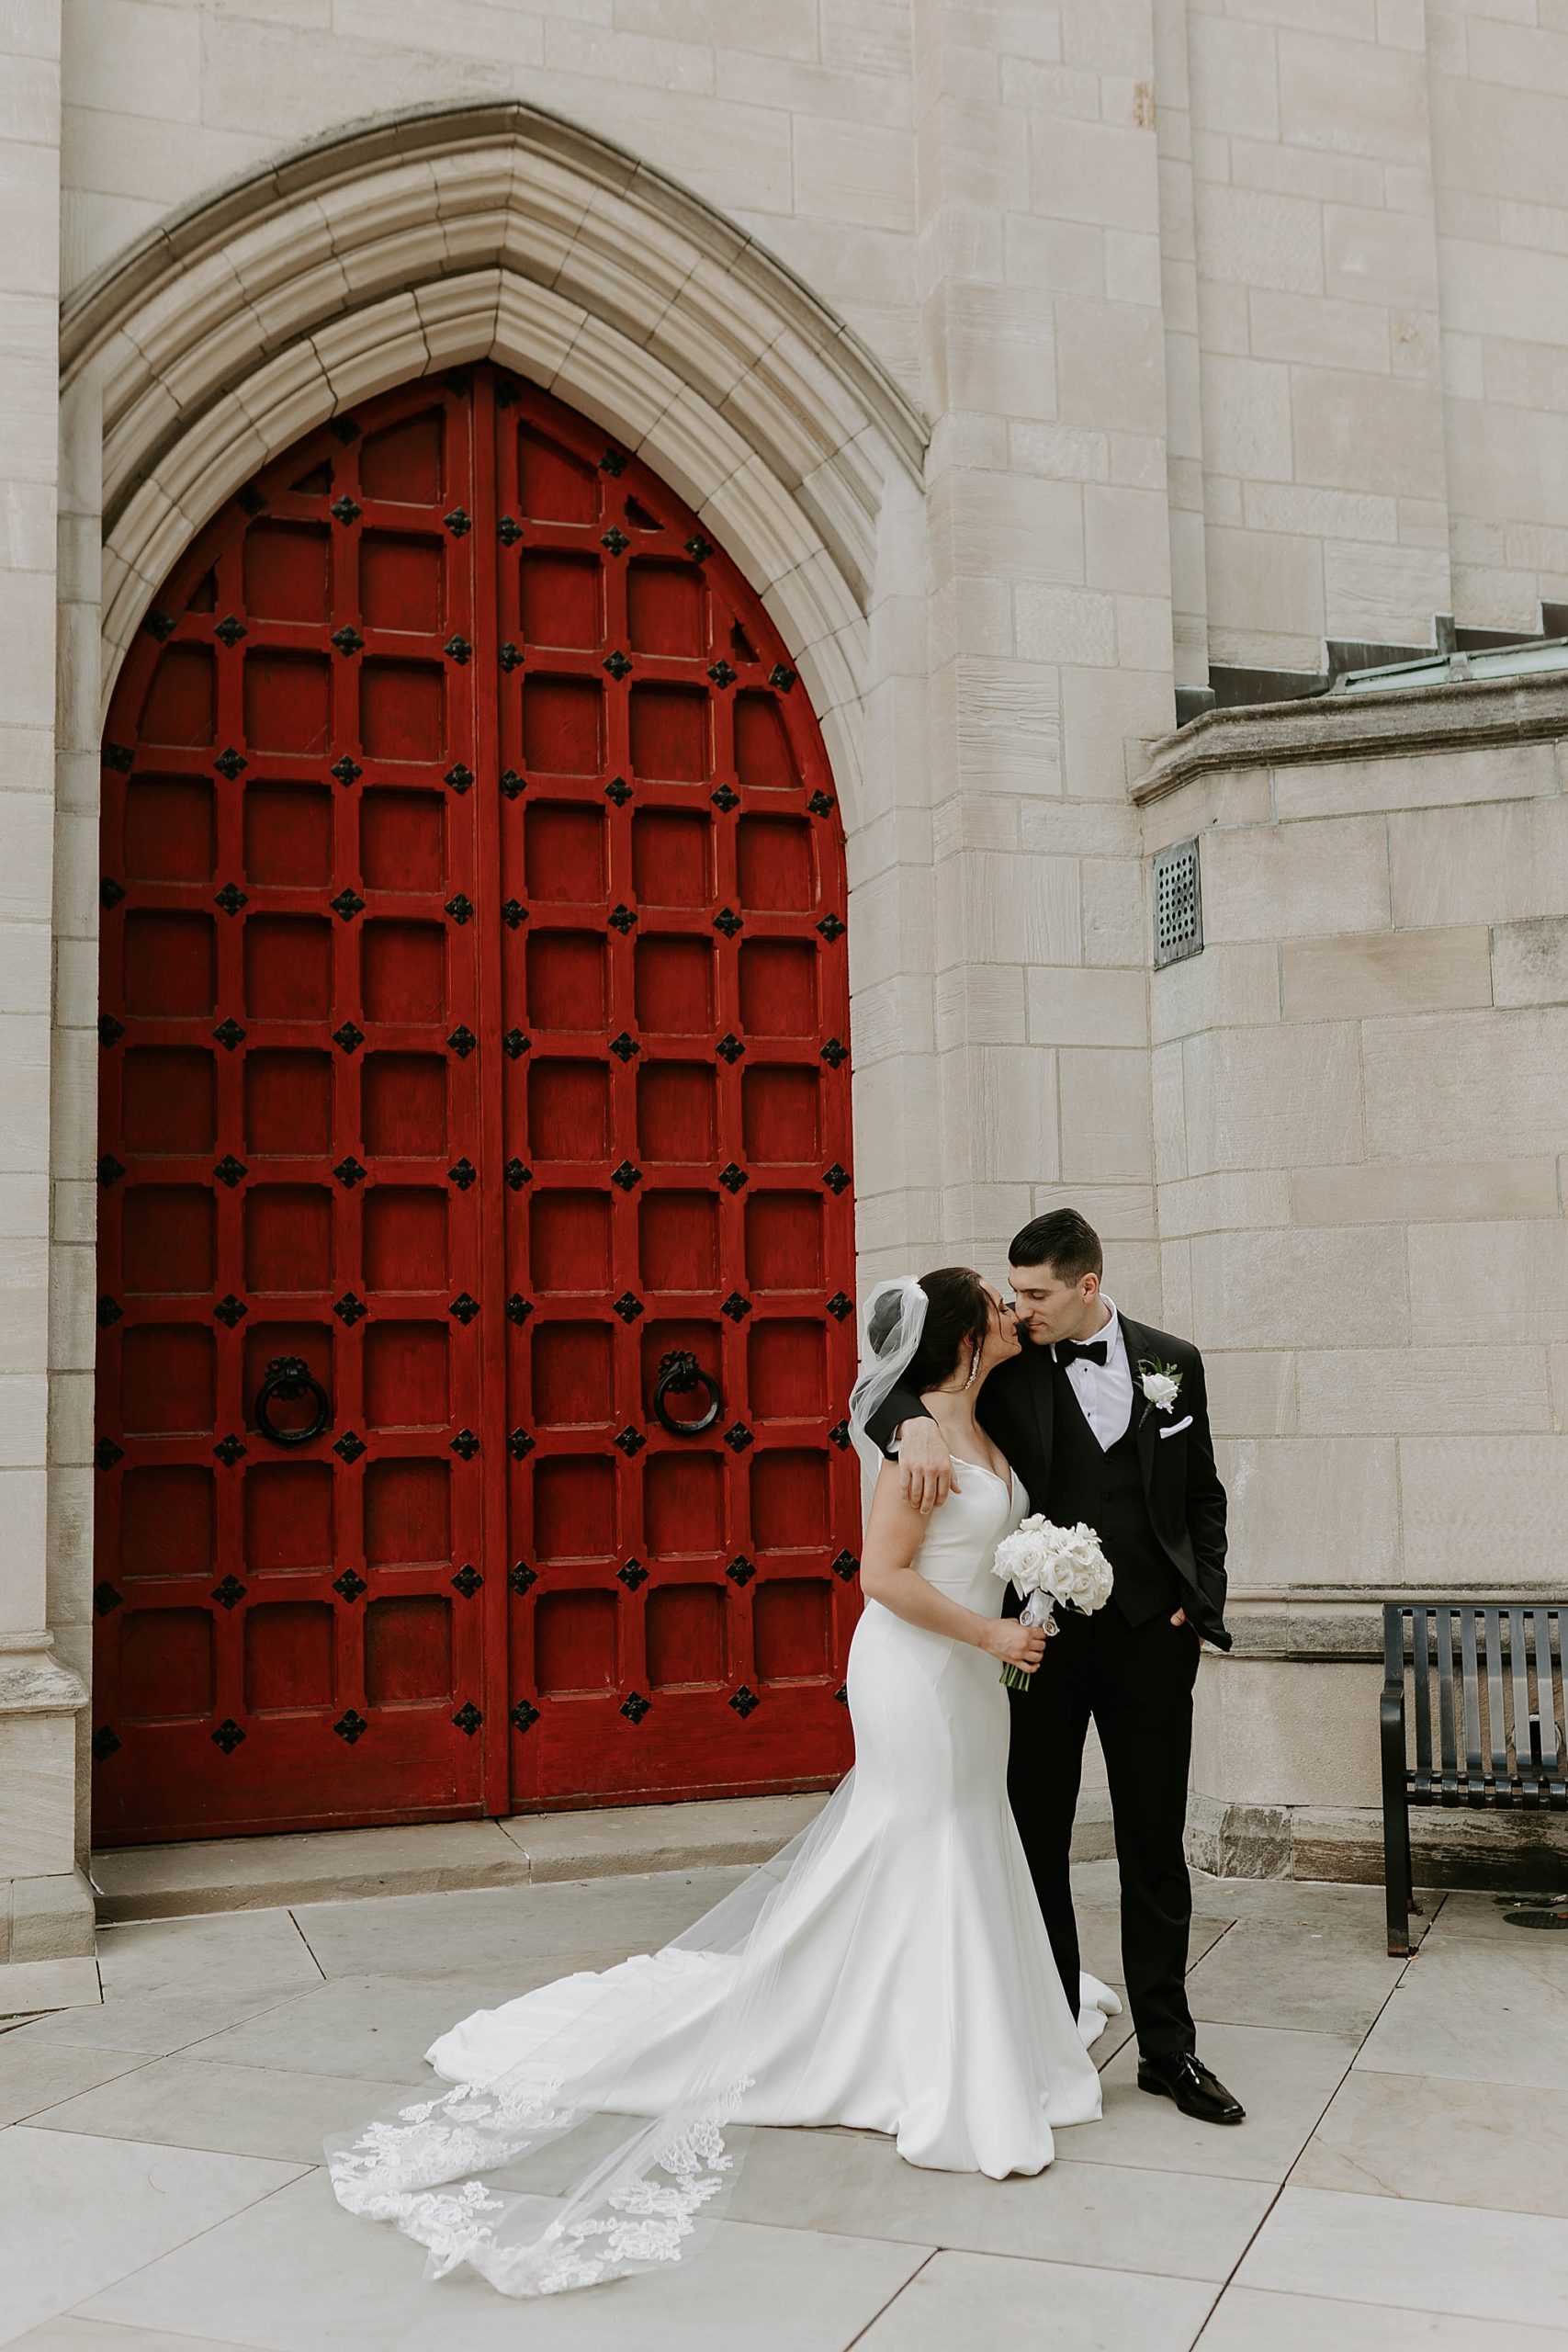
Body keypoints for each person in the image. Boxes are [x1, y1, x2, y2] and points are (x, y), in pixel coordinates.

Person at [326, 1268, 1119, 2299]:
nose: (1013, 1311)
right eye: (993, 1301)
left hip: (974, 1678)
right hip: (918, 1672)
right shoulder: (912, 1430)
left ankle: (921, 2019)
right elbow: (881, 1576)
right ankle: (918, 2055)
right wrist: (989, 1627)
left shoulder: (986, 1410)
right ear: (964, 1336)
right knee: (920, 1836)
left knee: (960, 1835)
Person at [863, 1208, 1244, 2129]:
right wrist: (907, 1423)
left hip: (1154, 1637)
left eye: (1035, 1293)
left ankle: (1169, 2047)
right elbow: (890, 1377)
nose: (1019, 1308)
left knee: (1155, 1844)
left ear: (1088, 1284)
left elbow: (1201, 1492)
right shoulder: (1010, 1364)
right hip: (1038, 1648)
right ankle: (1048, 2026)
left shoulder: (1172, 1360)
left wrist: (1205, 1594)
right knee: (1033, 1838)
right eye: (1012, 1293)